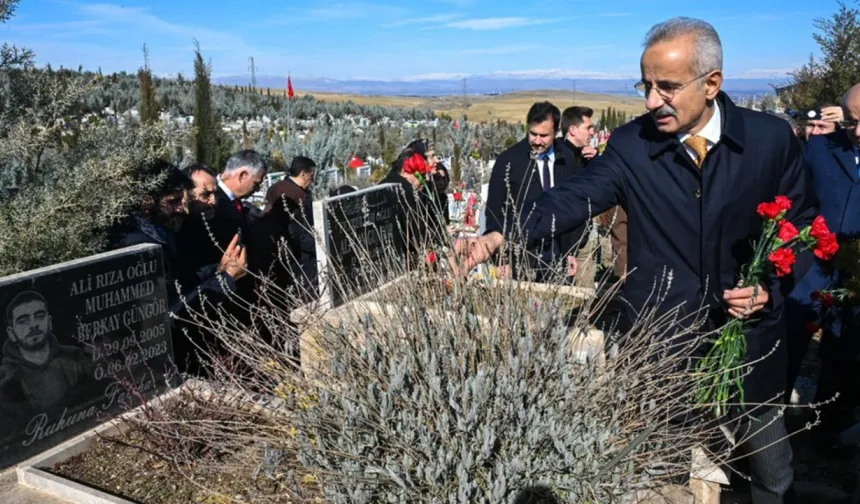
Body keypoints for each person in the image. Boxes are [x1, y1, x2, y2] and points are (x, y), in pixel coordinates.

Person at [455, 17, 814, 503]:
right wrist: (500, 234)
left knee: (768, 469)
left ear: (712, 83)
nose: (650, 101)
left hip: (748, 342)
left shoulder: (770, 141)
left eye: (666, 87)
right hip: (662, 339)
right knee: (662, 467)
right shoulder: (632, 146)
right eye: (645, 86)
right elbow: (574, 197)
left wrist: (770, 285)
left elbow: (804, 228)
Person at [784, 83, 860, 453]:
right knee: (790, 336)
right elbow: (797, 199)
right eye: (852, 122)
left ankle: (828, 425)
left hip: (855, 274)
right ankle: (770, 421)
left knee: (844, 348)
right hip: (811, 265)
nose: (858, 132)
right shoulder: (820, 149)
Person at [484, 102, 585, 282]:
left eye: (544, 135)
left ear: (556, 133)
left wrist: (571, 251)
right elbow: (494, 211)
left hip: (558, 256)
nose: (537, 141)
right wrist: (501, 259)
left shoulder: (567, 160)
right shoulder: (508, 161)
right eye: (533, 134)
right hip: (519, 258)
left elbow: (573, 209)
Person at [0, 290, 91, 413]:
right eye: (23, 320)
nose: (33, 325)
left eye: (39, 316)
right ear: (11, 333)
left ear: (50, 322)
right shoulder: (6, 379)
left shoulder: (74, 357)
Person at [259, 156, 319, 300]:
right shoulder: (297, 196)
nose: (313, 180)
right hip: (299, 255)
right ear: (303, 174)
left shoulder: (276, 187)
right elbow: (302, 230)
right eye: (312, 176)